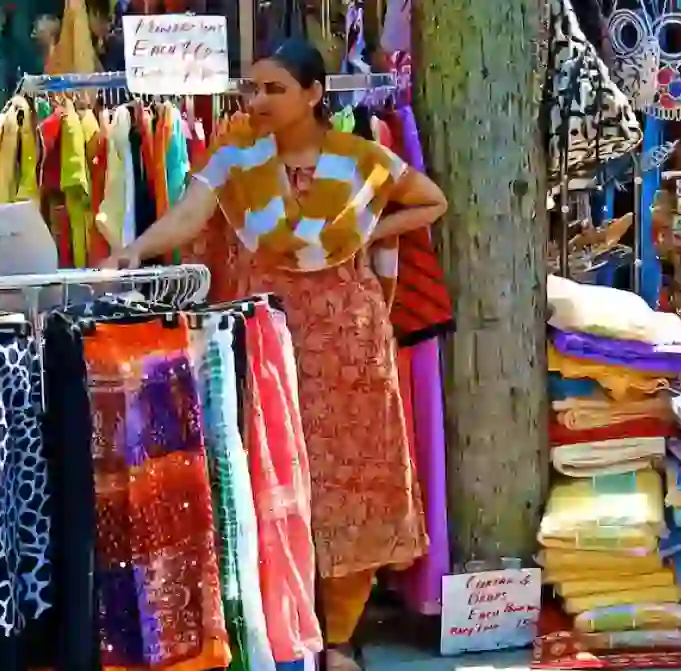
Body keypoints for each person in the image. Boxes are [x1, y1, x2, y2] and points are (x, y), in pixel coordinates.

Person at [103, 39, 447, 670]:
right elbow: (188, 215)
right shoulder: (236, 156)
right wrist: (138, 250)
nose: (255, 100)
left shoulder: (362, 158)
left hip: (349, 344)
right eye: (251, 89)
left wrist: (371, 229)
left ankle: (338, 636)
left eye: (272, 89)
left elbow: (431, 200)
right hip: (264, 335)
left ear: (314, 94)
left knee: (353, 481)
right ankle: (282, 629)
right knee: (265, 470)